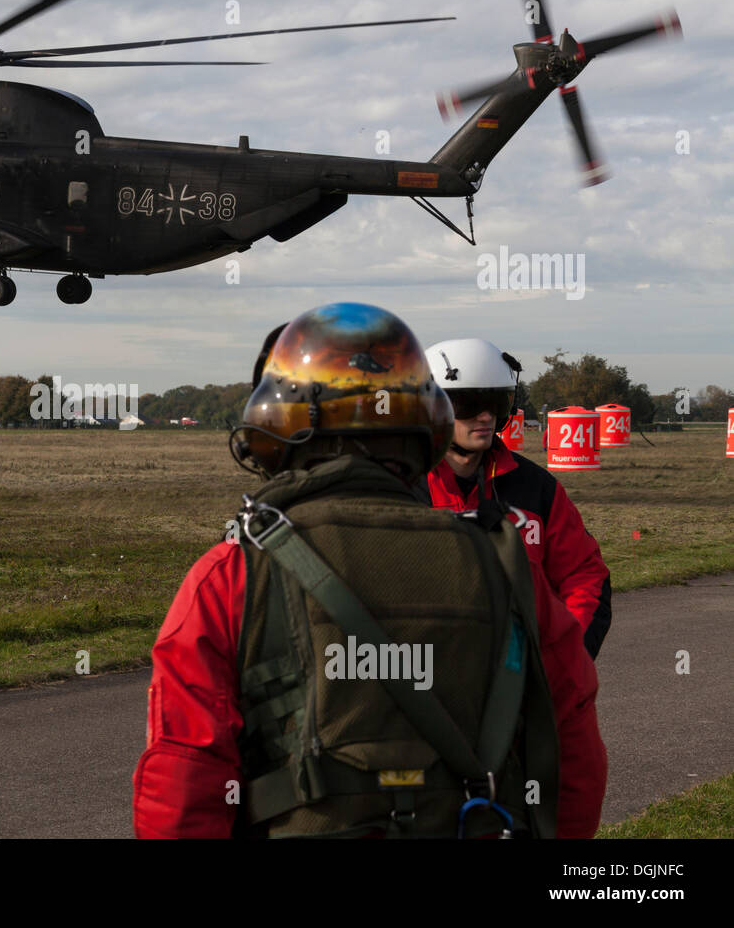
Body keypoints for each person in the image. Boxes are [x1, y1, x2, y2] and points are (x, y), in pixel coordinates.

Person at [132, 302, 606, 838]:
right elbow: (571, 750)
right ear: (426, 424)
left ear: (279, 425)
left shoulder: (232, 574)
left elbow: (183, 781)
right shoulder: (504, 566)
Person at [419, 339, 611, 659]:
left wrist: (563, 663)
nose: (485, 417)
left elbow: (585, 576)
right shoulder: (397, 490)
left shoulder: (536, 489)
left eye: (497, 403)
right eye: (467, 405)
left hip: (519, 685)